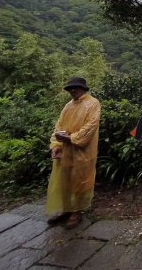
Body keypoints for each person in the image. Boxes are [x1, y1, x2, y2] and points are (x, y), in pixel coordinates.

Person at [46, 76, 101, 228]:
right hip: (65, 151)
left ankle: (76, 211)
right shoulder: (68, 106)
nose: (72, 90)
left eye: (75, 87)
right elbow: (59, 126)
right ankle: (65, 209)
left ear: (83, 88)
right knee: (64, 182)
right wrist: (56, 144)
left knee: (80, 181)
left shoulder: (93, 103)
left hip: (83, 151)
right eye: (70, 88)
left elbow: (90, 126)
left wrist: (72, 138)